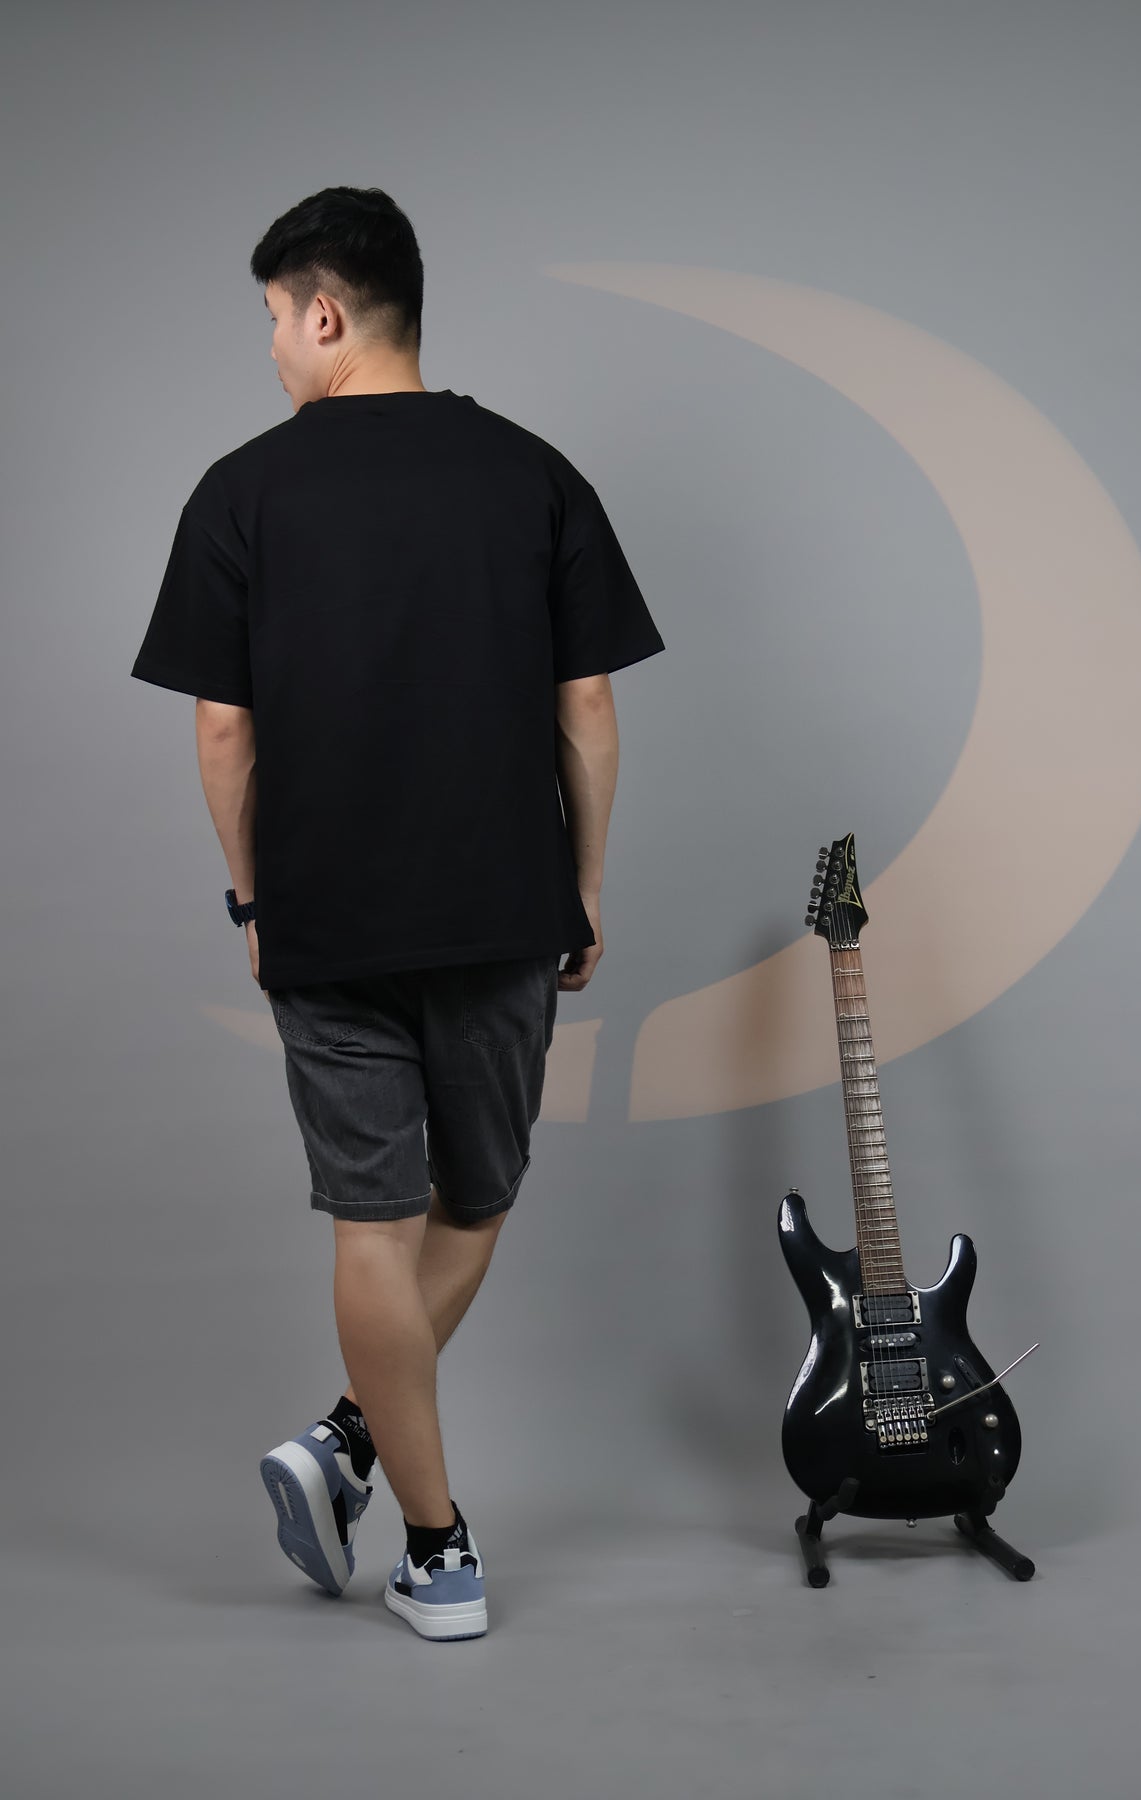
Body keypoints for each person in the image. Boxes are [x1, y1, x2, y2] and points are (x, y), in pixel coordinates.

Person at [129, 186, 665, 1641]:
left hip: (326, 917)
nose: (270, 349)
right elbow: (589, 705)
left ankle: (414, 1523)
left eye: (271, 320)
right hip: (502, 909)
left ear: (325, 312)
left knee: (371, 1225)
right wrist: (583, 885)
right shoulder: (535, 474)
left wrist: (253, 895)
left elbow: (223, 731)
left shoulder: (240, 491)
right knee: (473, 1202)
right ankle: (398, 1500)